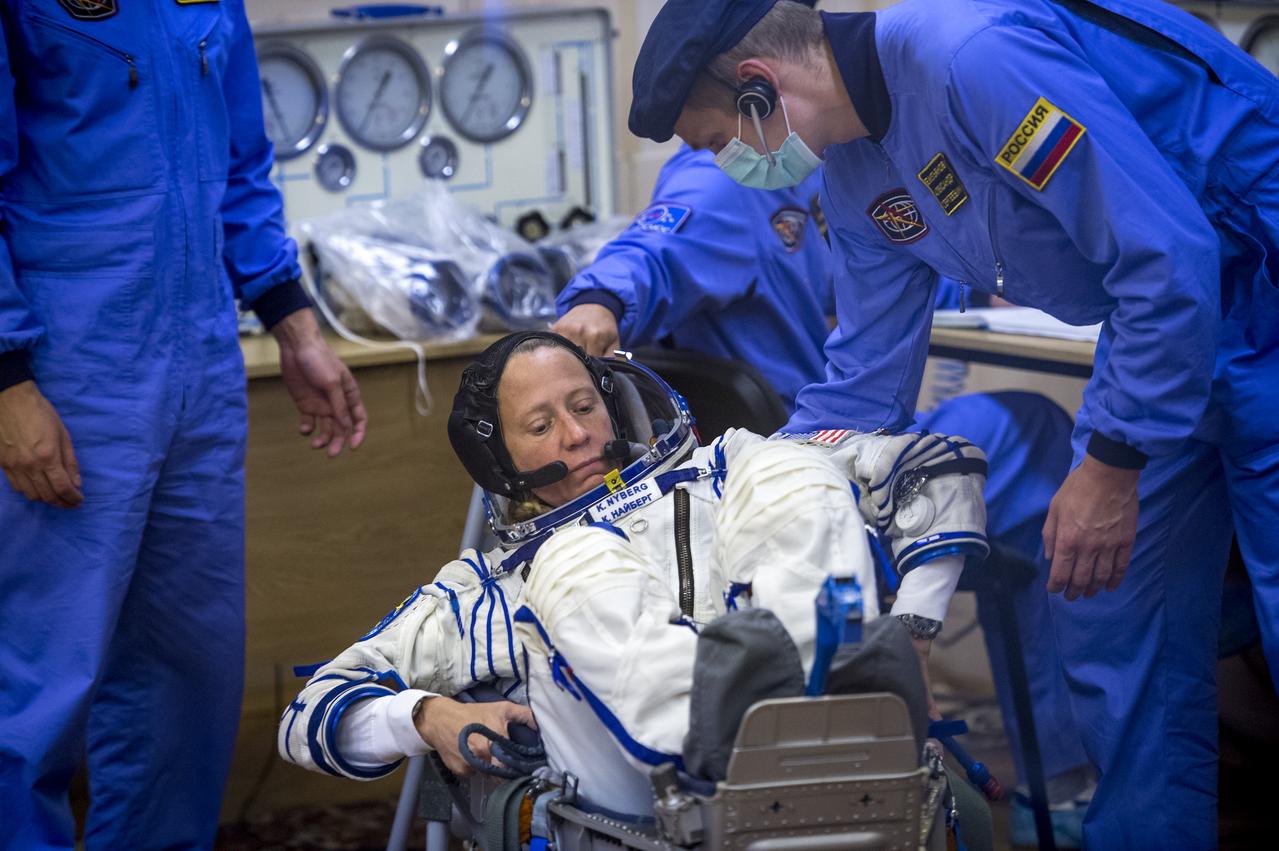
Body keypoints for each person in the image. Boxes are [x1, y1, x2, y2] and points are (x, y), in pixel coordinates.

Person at [627, 0, 1279, 846]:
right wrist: (739, 493)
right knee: (1106, 602)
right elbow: (861, 387)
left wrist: (1111, 463)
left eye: (718, 141)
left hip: (1252, 282)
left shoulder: (970, 60)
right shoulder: (854, 173)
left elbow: (1166, 253)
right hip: (1166, 334)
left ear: (757, 87)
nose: (730, 166)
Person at [552, 144, 1091, 844]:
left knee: (1014, 467)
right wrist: (597, 299)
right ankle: (1065, 783)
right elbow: (650, 252)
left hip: (819, 449)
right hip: (804, 479)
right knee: (1033, 434)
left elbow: (864, 270)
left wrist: (977, 285)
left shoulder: (803, 176)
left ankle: (1059, 777)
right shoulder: (724, 180)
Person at [279, 331, 990, 818]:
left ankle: (833, 704)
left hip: (847, 763)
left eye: (584, 406)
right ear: (503, 462)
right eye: (541, 427)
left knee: (785, 463)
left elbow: (934, 467)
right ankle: (740, 749)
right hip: (656, 808)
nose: (577, 434)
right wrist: (426, 716)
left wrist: (914, 634)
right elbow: (307, 715)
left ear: (612, 403)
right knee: (572, 558)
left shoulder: (725, 469)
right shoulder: (490, 589)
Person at [0, 4, 367, 849]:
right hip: (68, 359)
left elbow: (240, 160)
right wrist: (7, 379)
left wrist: (293, 321)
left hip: (198, 359)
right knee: (38, 685)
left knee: (183, 673)